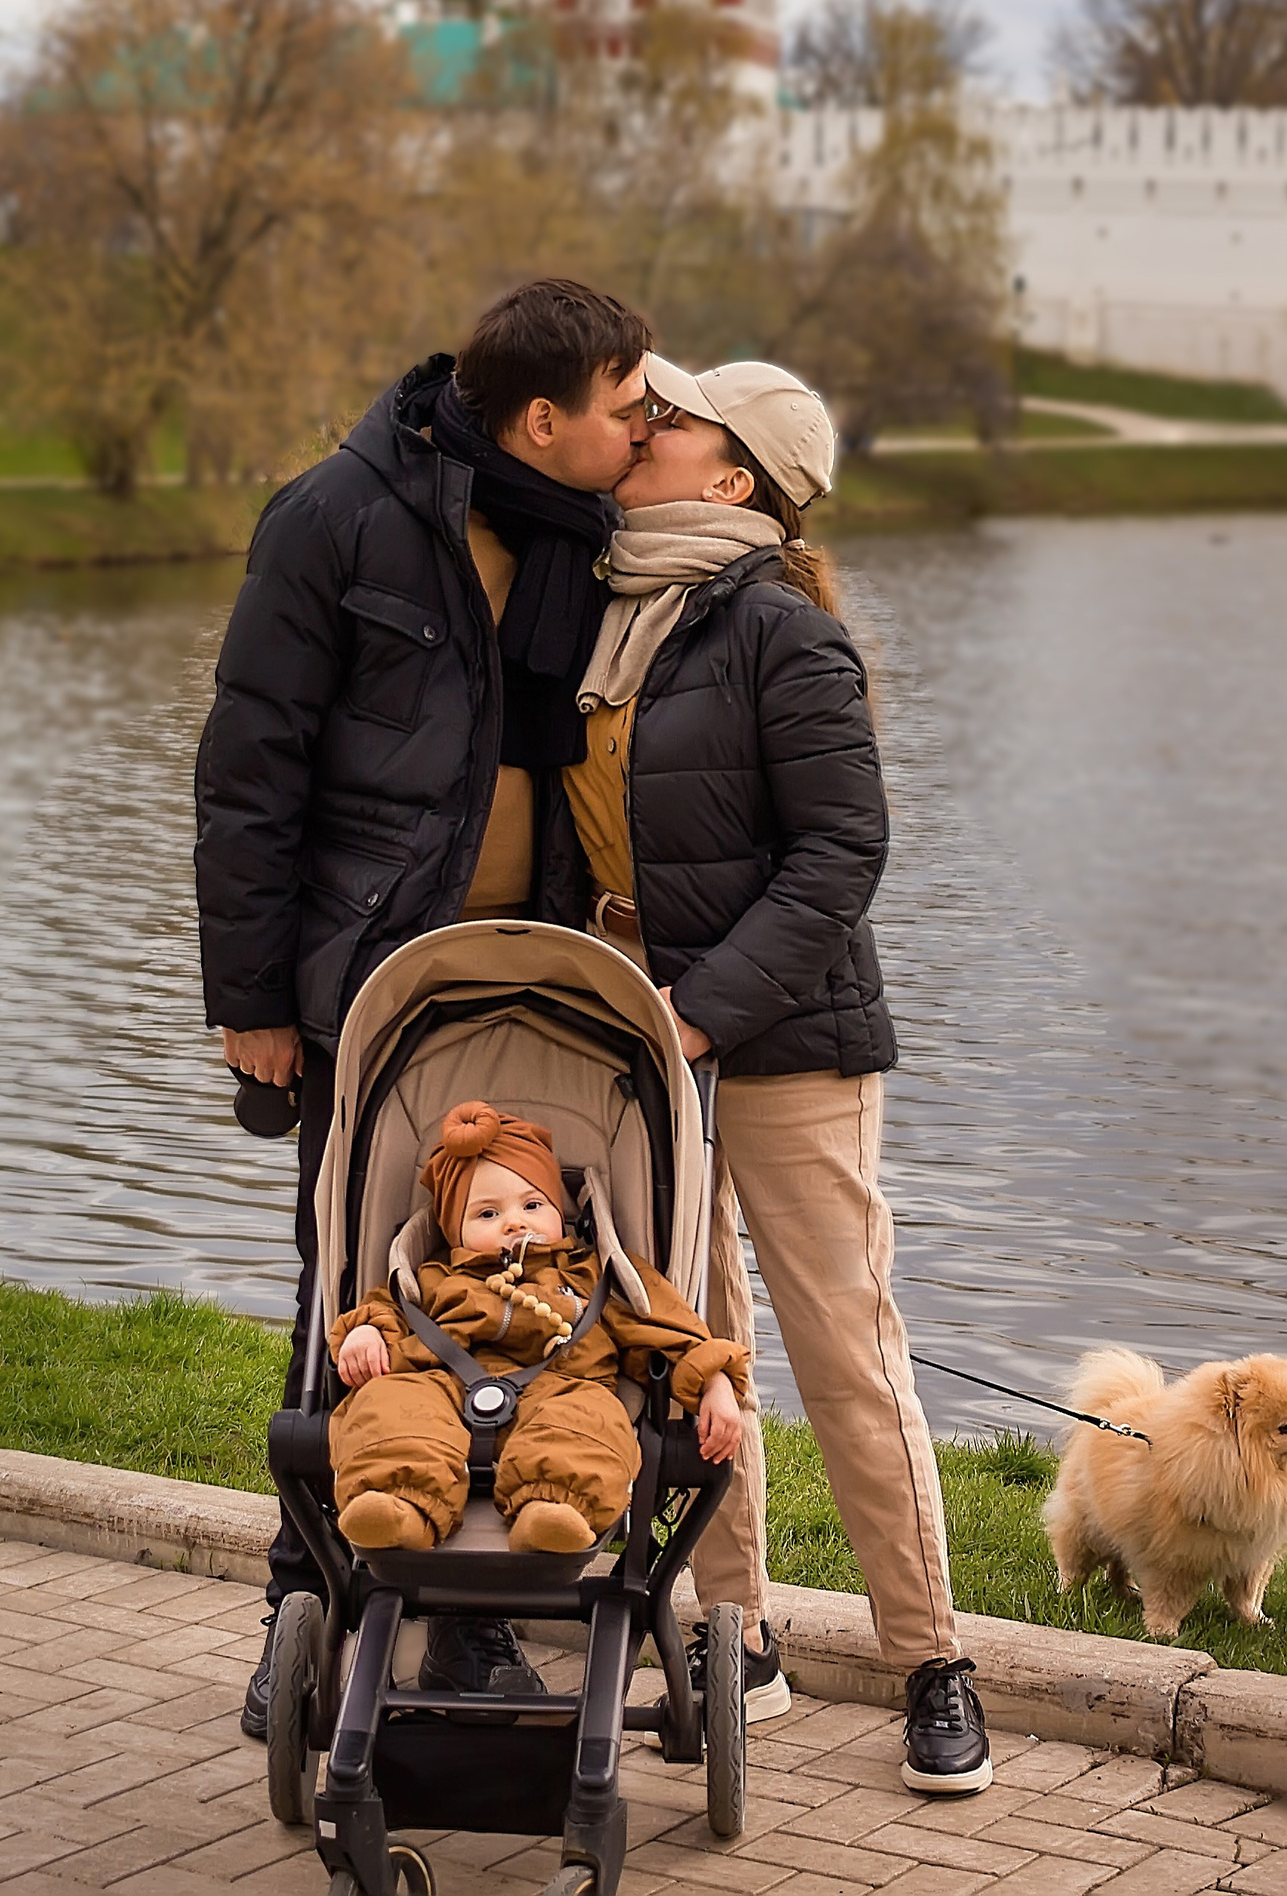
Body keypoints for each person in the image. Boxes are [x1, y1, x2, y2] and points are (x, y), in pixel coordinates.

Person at [194, 278, 652, 1736]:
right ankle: (301, 1608)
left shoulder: (579, 530)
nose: (642, 431)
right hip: (371, 991)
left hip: (532, 979)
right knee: (351, 1304)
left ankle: (468, 1635)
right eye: (623, 409)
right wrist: (254, 997)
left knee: (528, 1304)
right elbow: (247, 773)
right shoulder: (336, 518)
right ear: (539, 420)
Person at [563, 355, 994, 1797]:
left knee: (846, 1359)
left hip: (785, 1041)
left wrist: (703, 1012)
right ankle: (734, 1636)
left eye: (669, 423)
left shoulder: (778, 636)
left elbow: (839, 861)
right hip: (644, 1030)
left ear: (735, 476)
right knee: (694, 1351)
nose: (643, 432)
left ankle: (933, 1662)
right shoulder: (611, 610)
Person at [328, 1100, 746, 1554]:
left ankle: (552, 1514)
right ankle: (397, 1508)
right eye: (487, 1214)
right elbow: (387, 1308)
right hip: (440, 1380)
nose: (514, 1221)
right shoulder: (435, 1276)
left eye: (532, 1204)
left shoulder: (592, 1276)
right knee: (389, 1407)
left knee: (589, 1425)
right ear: (454, 1232)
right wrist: (366, 1332)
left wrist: (714, 1381)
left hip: (564, 1382)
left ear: (559, 1212)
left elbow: (664, 1325)